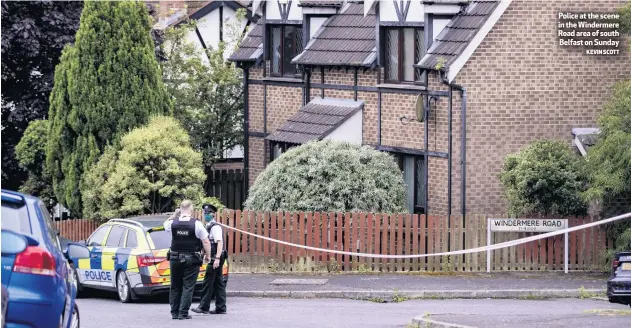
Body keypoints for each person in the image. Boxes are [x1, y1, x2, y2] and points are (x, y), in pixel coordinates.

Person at [164, 200, 211, 320]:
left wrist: (175, 215)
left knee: (175, 286)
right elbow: (206, 241)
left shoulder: (172, 223)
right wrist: (208, 255)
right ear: (191, 209)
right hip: (191, 259)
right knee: (188, 287)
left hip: (175, 258)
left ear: (180, 209)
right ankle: (183, 313)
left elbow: (165, 223)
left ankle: (174, 313)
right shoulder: (196, 224)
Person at [192, 204, 227, 314]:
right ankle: (221, 308)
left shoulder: (215, 227)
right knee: (218, 282)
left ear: (213, 214)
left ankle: (204, 307)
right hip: (214, 257)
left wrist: (216, 258)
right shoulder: (208, 226)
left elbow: (219, 243)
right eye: (204, 213)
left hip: (215, 257)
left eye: (207, 213)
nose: (205, 215)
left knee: (208, 281)